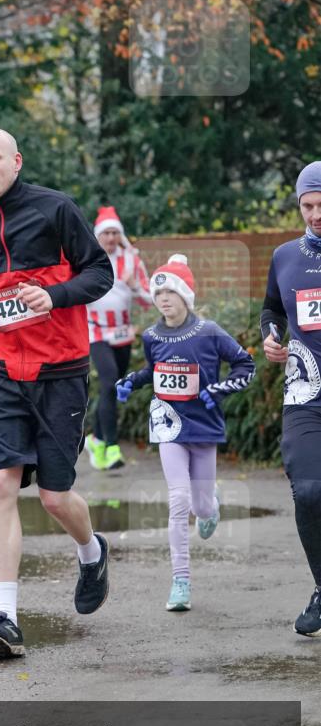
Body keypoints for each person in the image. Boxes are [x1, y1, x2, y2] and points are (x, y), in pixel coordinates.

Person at [0, 127, 114, 658]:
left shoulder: (56, 210)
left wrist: (53, 296)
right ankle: (6, 618)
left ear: (16, 161)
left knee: (55, 497)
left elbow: (100, 273)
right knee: (1, 482)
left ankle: (91, 553)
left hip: (59, 372)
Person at [116, 254, 255, 611]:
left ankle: (211, 507)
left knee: (201, 505)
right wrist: (132, 381)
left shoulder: (209, 331)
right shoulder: (151, 335)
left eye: (170, 292)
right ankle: (181, 582)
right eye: (158, 292)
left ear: (185, 296)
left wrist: (219, 390)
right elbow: (153, 369)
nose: (163, 299)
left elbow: (246, 365)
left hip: (204, 427)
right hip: (168, 425)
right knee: (178, 500)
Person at [261, 160, 321, 637]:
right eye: (308, 206)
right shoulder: (284, 256)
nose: (316, 214)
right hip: (305, 390)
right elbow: (271, 308)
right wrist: (270, 336)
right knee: (308, 491)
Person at [85, 206, 151, 471]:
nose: (110, 238)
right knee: (110, 381)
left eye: (114, 233)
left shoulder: (132, 261)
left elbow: (149, 299)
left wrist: (134, 285)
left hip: (123, 332)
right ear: (97, 236)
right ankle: (112, 447)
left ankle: (96, 439)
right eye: (106, 233)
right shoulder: (88, 259)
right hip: (95, 331)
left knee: (112, 387)